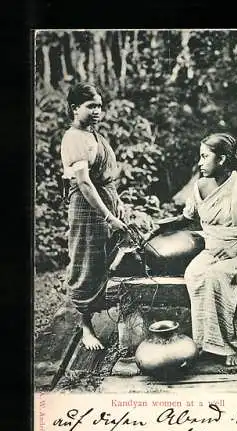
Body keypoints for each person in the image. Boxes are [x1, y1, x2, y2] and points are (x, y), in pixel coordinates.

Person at [153, 132, 237, 366]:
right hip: (214, 249)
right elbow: (186, 218)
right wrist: (158, 225)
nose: (200, 163)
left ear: (221, 159)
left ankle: (233, 346)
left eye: (204, 157)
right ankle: (208, 343)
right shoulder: (200, 186)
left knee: (218, 276)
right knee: (195, 274)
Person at [60, 82, 127, 350]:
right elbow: (85, 183)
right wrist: (109, 216)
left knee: (110, 258)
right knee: (85, 262)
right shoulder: (73, 138)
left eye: (99, 105)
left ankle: (118, 314)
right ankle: (85, 326)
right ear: (75, 108)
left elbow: (105, 179)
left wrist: (118, 202)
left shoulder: (94, 135)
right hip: (87, 208)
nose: (97, 111)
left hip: (105, 202)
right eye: (91, 106)